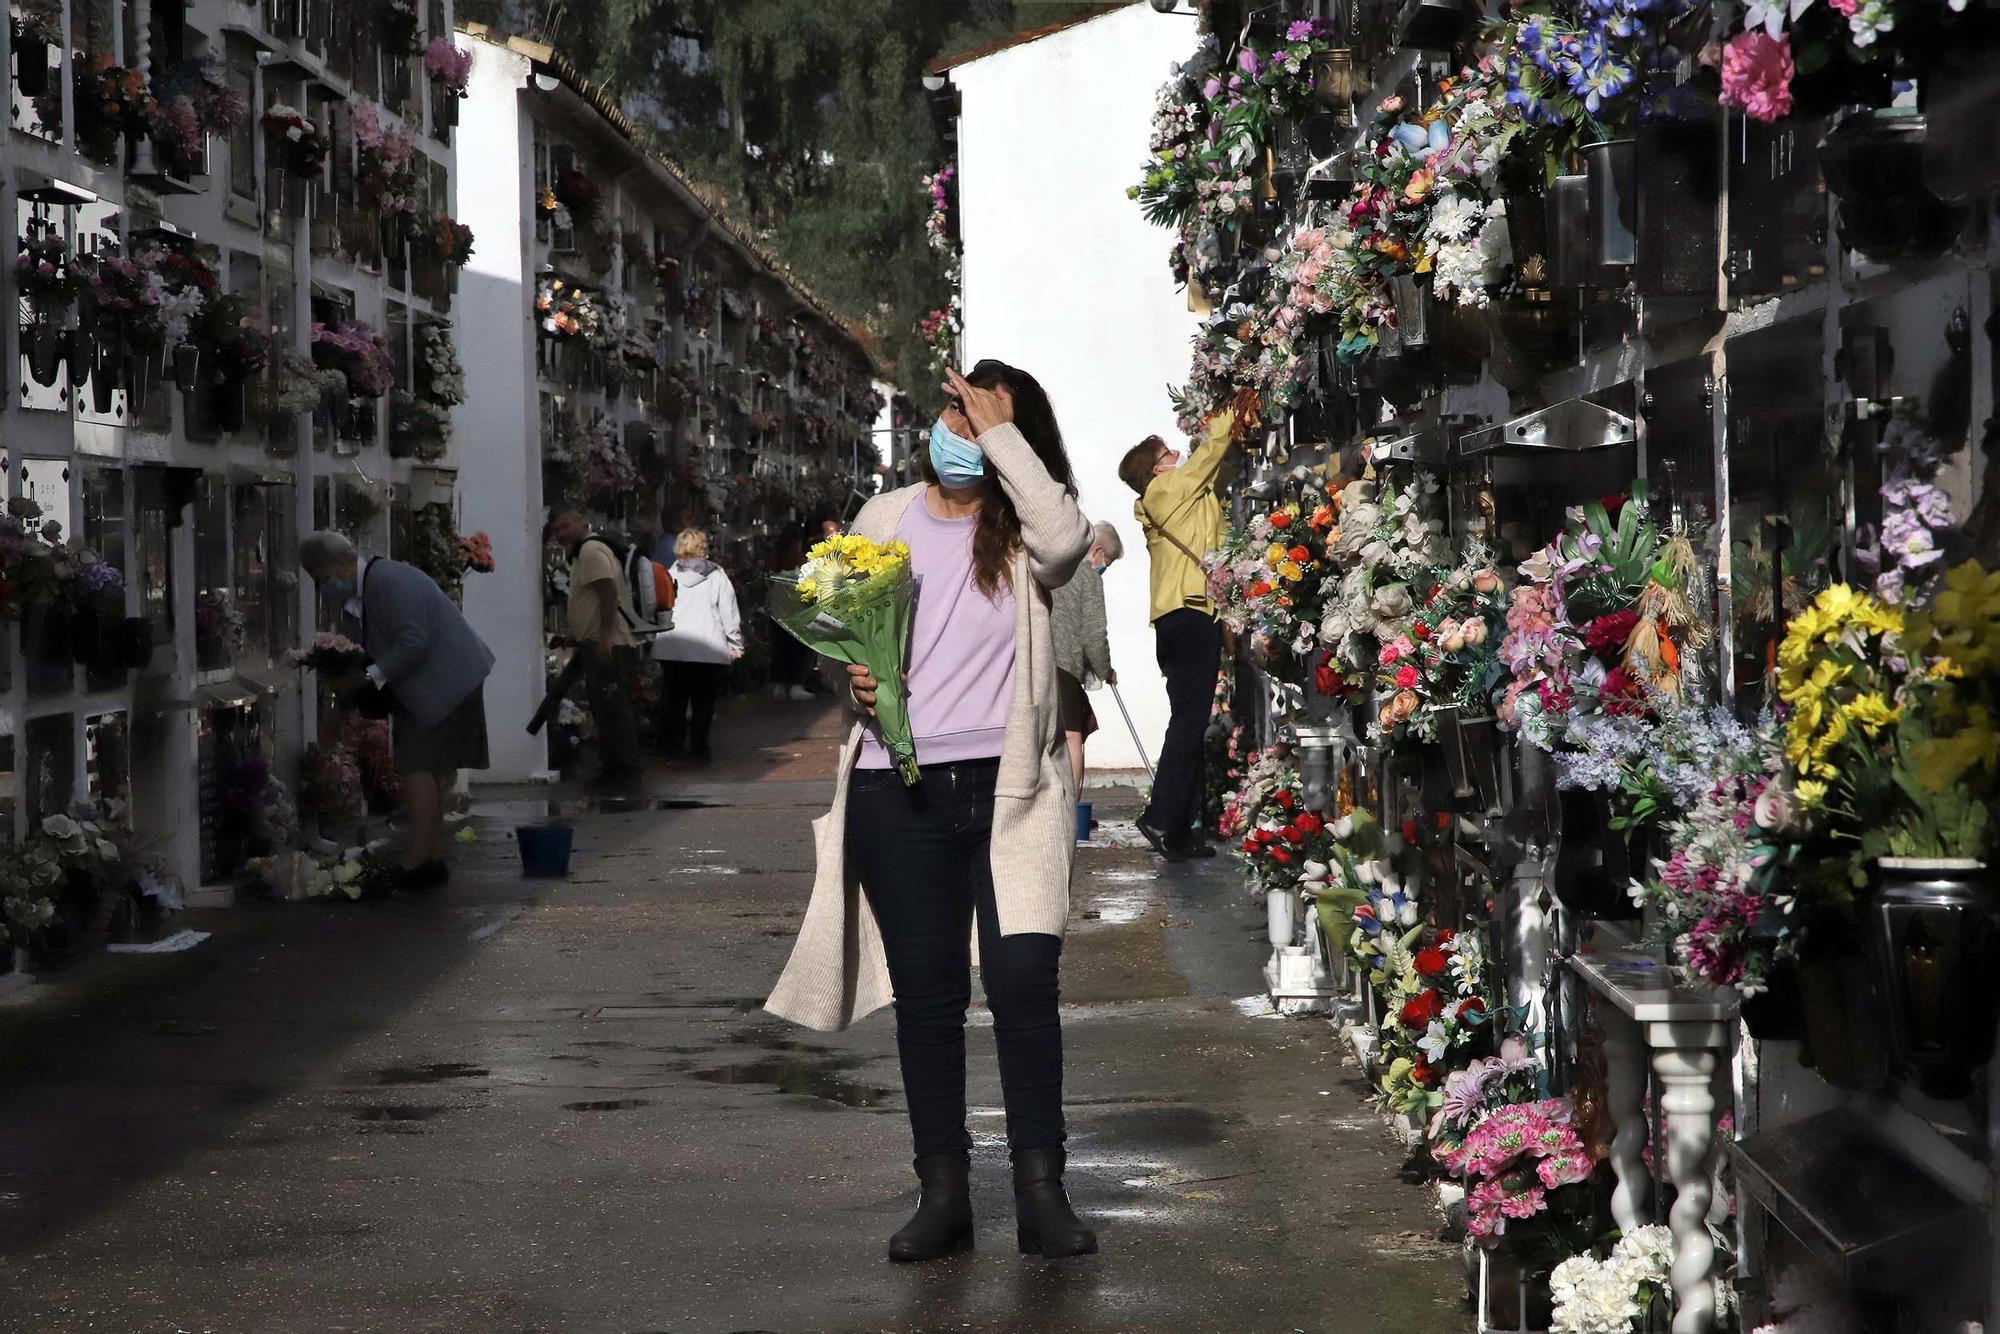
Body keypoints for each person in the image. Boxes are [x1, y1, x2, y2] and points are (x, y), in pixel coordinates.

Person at [764, 361, 1097, 1264]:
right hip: (896, 788)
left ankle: (1041, 1193)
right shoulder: (885, 518)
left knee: (1025, 985)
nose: (960, 425)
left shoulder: (1027, 525)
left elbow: (1070, 543)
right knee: (930, 1002)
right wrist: (853, 675)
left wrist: (1003, 437)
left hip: (1011, 793)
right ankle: (943, 1193)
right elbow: (836, 635)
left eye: (981, 416)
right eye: (956, 408)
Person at [299, 530, 494, 889]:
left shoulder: (386, 582)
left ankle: (416, 860)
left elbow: (413, 642)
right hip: (440, 683)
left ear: (342, 564)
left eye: (323, 578)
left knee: (416, 764)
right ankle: (430, 857)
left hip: (444, 683)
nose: (324, 588)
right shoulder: (370, 588)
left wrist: (366, 677)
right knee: (429, 767)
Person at [1117, 405, 1240, 862]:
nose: (1178, 453)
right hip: (1187, 614)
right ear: (1157, 468)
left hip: (1183, 616)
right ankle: (1161, 816)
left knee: (1190, 719)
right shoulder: (1165, 490)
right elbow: (1208, 458)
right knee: (1188, 721)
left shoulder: (1184, 496)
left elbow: (1214, 478)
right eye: (1169, 451)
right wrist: (1228, 409)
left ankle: (1183, 830)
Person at [546, 510, 643, 790]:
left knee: (612, 708)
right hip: (598, 641)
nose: (561, 533)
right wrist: (571, 638)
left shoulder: (589, 551)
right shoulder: (582, 553)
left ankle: (624, 770)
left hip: (608, 644)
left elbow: (608, 593)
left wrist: (604, 639)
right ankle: (615, 767)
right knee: (604, 708)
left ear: (579, 522)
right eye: (556, 531)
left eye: (565, 526)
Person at [650, 528, 743, 763]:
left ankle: (675, 747)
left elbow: (659, 609)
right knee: (704, 703)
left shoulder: (669, 574)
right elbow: (729, 612)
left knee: (675, 701)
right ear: (703, 548)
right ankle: (699, 749)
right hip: (708, 649)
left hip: (673, 648)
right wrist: (735, 644)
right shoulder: (717, 576)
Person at [1051, 520, 1122, 793]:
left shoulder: (1054, 566)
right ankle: (1069, 809)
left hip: (1036, 660)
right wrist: (1106, 670)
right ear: (1098, 552)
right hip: (1064, 664)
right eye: (1108, 563)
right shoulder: (1087, 576)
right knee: (1071, 736)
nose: (1104, 570)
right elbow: (1094, 632)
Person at [764, 522, 816, 702]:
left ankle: (778, 685)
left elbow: (766, 579)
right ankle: (795, 684)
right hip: (796, 610)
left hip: (776, 610)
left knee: (779, 647)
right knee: (798, 648)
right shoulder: (801, 559)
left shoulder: (774, 558)